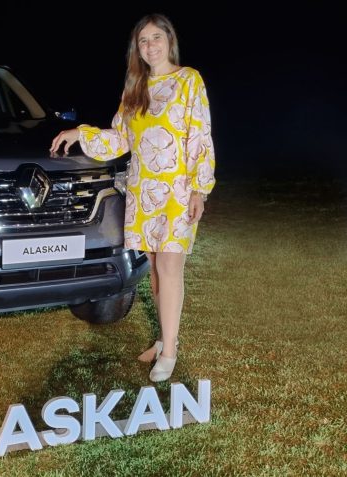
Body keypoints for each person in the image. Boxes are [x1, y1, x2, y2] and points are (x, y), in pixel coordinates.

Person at [49, 13, 215, 382]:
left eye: (156, 38)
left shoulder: (189, 80)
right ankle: (164, 338)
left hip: (176, 191)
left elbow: (200, 138)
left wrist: (199, 189)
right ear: (136, 49)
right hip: (142, 191)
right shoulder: (135, 87)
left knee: (170, 268)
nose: (150, 46)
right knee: (155, 271)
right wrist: (81, 132)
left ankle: (169, 352)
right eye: (143, 41)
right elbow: (120, 139)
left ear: (169, 41)